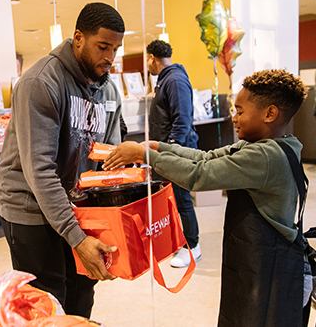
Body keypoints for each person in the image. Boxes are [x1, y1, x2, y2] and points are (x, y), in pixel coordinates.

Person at [103, 69, 308, 326]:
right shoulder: (270, 145)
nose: (234, 117)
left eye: (240, 111)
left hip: (267, 265)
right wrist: (161, 147)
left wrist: (146, 156)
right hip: (254, 259)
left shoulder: (265, 156)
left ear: (270, 113)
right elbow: (207, 157)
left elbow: (200, 175)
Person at [0, 2, 125, 318]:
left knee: (82, 288)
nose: (109, 57)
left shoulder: (109, 93)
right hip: (29, 207)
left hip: (77, 203)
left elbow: (109, 160)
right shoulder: (40, 82)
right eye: (102, 47)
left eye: (116, 49)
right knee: (48, 301)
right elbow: (40, 170)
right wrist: (76, 237)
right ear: (78, 38)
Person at [146, 39, 201, 267]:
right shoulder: (166, 80)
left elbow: (183, 120)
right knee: (172, 201)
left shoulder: (175, 79)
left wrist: (170, 149)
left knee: (181, 200)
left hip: (175, 153)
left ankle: (192, 246)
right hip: (166, 152)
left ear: (152, 58)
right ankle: (179, 243)